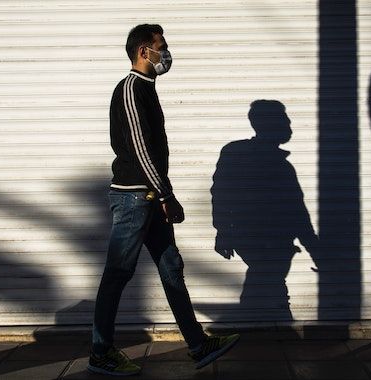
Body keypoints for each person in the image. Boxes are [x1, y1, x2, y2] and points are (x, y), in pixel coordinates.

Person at [88, 24, 240, 376]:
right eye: (162, 46)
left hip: (149, 196)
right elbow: (141, 150)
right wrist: (167, 195)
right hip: (133, 198)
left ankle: (198, 344)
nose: (166, 53)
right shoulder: (130, 89)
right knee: (117, 274)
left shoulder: (146, 89)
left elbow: (153, 152)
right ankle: (100, 352)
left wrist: (160, 194)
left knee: (171, 266)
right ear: (144, 51)